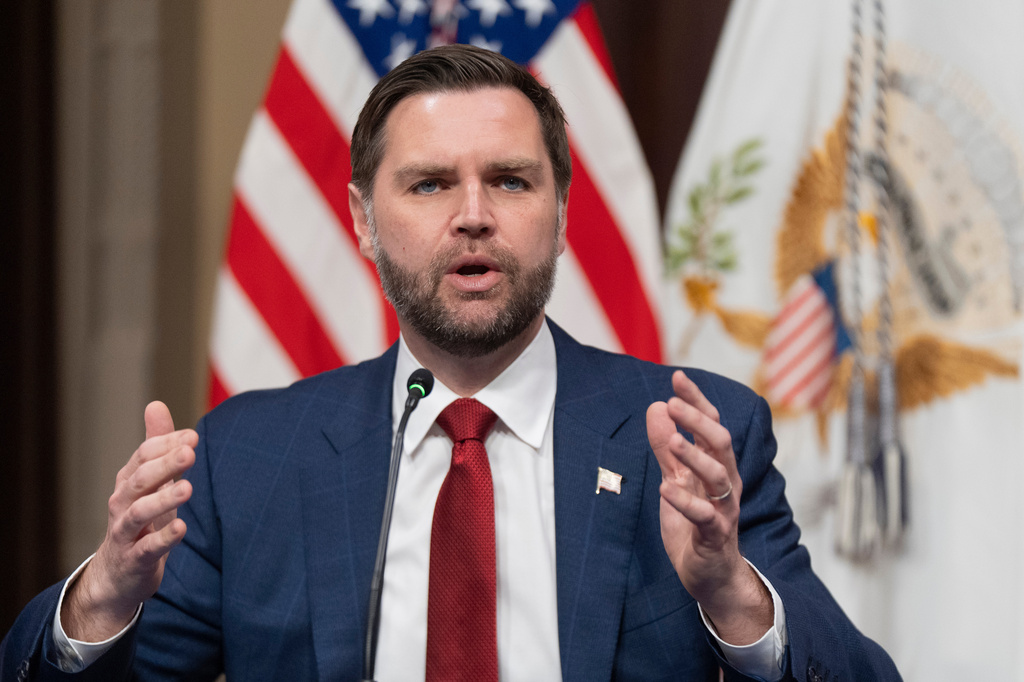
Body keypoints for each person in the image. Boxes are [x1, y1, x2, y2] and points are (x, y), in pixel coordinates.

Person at [1, 45, 899, 681]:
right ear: (360, 219)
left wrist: (732, 593)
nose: (473, 215)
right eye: (430, 184)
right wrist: (106, 598)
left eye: (510, 180)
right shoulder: (250, 458)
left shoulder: (699, 442)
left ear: (561, 211)